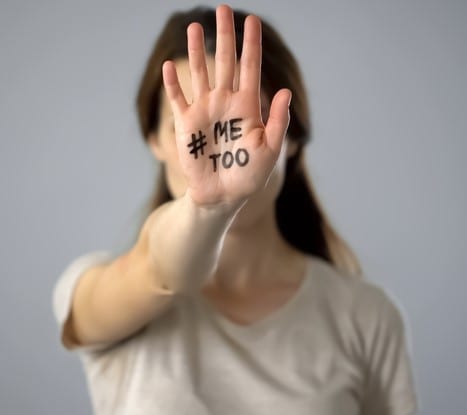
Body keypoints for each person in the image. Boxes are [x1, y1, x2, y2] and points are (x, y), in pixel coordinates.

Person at [52, 4, 419, 415]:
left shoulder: (367, 317)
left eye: (245, 123)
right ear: (153, 140)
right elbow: (162, 270)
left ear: (292, 137)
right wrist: (210, 206)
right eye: (186, 127)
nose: (218, 149)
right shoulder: (94, 293)